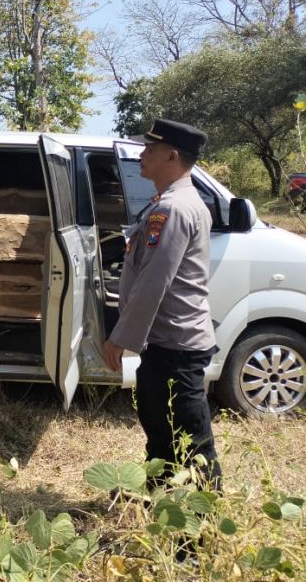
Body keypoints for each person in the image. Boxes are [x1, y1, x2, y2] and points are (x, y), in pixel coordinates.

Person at [102, 118, 222, 489]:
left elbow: (155, 282)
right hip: (168, 345)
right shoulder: (171, 203)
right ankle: (163, 504)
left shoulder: (171, 209)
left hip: (176, 350)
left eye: (149, 150)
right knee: (162, 435)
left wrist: (120, 338)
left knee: (191, 443)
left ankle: (201, 526)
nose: (141, 155)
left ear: (171, 156)